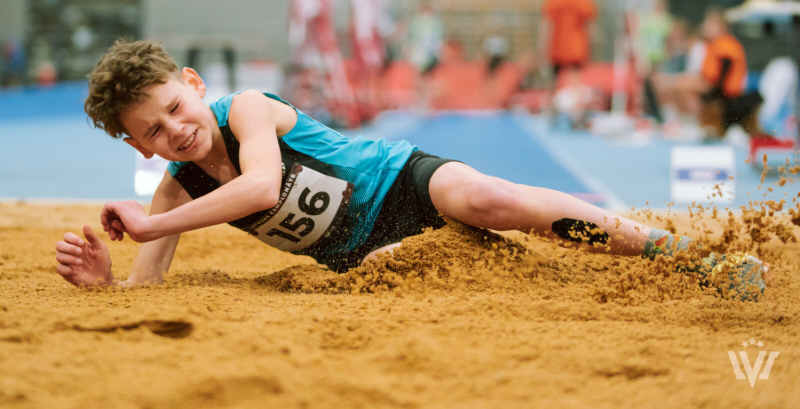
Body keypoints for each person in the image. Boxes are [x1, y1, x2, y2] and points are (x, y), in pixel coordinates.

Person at [54, 40, 766, 300]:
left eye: (177, 107)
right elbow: (147, 285)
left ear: (194, 82)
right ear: (139, 147)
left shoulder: (245, 109)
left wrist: (153, 219)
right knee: (414, 269)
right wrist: (109, 281)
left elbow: (263, 186)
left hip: (404, 181)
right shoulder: (178, 188)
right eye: (154, 131)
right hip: (367, 253)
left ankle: (676, 253)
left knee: (486, 197)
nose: (176, 129)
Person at [538, 0, 597, 109]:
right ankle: (576, 109)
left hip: (557, 46)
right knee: (575, 81)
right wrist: (592, 46)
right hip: (577, 46)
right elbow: (589, 27)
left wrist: (542, 48)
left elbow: (546, 26)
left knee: (553, 80)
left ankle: (551, 109)